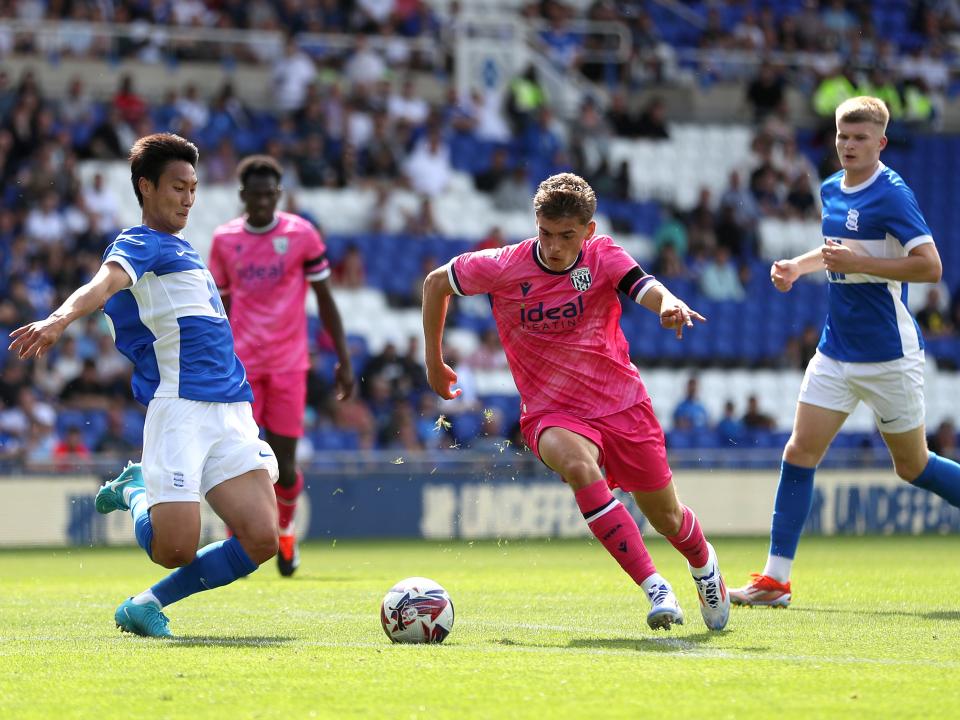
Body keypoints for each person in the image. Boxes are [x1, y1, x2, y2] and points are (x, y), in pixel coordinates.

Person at [421, 172, 730, 632]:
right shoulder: (504, 265)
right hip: (551, 412)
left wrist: (668, 304)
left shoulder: (603, 255)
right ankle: (654, 586)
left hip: (622, 405)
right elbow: (435, 284)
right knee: (579, 467)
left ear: (588, 230)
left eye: (566, 236)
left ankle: (704, 567)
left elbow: (643, 285)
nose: (553, 247)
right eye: (545, 233)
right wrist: (433, 362)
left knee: (666, 517)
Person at [8, 133, 280, 638]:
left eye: (193, 188)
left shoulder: (185, 250)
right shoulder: (140, 242)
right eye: (177, 187)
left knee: (264, 539)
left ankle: (144, 605)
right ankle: (133, 489)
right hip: (181, 407)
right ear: (146, 187)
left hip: (232, 409)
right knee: (173, 548)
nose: (188, 198)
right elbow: (104, 284)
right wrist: (59, 318)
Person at [731, 97, 960, 608]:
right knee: (799, 451)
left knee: (913, 466)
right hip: (836, 351)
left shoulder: (893, 194)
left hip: (889, 356)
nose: (849, 145)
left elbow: (931, 267)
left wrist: (861, 263)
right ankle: (775, 581)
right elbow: (839, 249)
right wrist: (798, 266)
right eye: (842, 136)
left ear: (881, 142)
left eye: (860, 138)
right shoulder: (831, 187)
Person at [209, 155, 355, 577]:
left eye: (269, 194)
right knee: (239, 458)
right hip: (241, 369)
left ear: (279, 194)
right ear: (243, 196)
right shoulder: (225, 240)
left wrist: (343, 359)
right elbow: (219, 307)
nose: (262, 201)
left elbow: (324, 298)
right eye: (254, 194)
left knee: (284, 464)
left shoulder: (301, 234)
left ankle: (286, 531)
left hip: (289, 365)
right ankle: (239, 538)